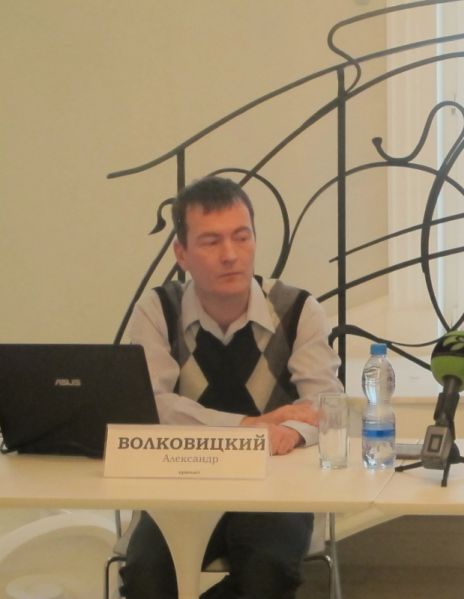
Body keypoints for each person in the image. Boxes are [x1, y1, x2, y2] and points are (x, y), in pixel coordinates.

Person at [121, 175, 342, 599]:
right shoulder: (158, 310)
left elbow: (325, 404)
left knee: (265, 575)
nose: (230, 255)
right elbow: (149, 406)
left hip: (273, 488)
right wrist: (247, 427)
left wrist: (288, 431)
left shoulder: (297, 310)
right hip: (181, 486)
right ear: (181, 254)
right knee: (146, 576)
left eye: (242, 237)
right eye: (211, 242)